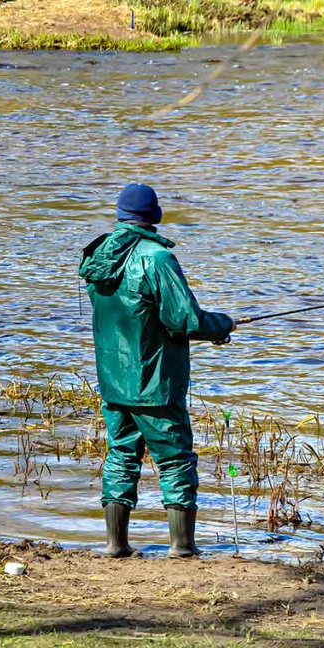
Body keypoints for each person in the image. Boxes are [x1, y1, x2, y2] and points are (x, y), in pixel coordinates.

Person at [79, 183, 234, 558]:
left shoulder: (99, 256)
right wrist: (222, 324)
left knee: (121, 456)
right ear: (155, 215)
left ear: (120, 215)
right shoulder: (158, 258)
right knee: (175, 459)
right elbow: (184, 320)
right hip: (155, 384)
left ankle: (116, 545)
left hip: (114, 383)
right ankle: (182, 547)